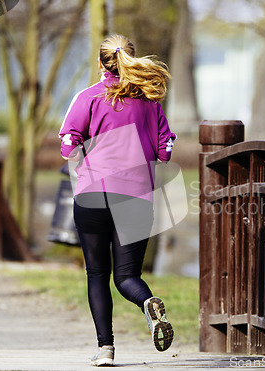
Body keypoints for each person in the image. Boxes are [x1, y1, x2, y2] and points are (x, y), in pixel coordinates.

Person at [59, 34, 176, 367]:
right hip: (136, 197)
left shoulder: (88, 97)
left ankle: (106, 348)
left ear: (100, 63)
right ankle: (147, 301)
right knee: (126, 277)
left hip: (94, 194)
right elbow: (165, 149)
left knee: (97, 273)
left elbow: (68, 143)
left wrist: (80, 154)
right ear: (132, 60)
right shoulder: (150, 101)